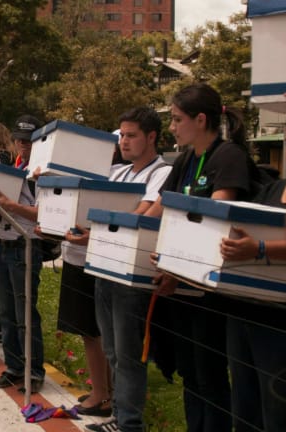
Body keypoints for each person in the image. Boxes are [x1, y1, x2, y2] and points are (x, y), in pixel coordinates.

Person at [146, 83, 256, 432]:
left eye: (178, 120)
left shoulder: (229, 157)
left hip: (211, 289)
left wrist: (179, 271)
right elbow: (158, 209)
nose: (173, 127)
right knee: (190, 372)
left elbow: (215, 223)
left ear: (201, 119)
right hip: (181, 284)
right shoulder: (185, 160)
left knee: (210, 375)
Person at [80, 107, 172, 432]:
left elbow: (141, 215)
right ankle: (118, 417)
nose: (124, 141)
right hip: (105, 268)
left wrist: (99, 224)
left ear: (151, 137)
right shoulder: (118, 173)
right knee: (112, 350)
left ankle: (129, 423)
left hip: (132, 276)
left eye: (132, 135)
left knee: (128, 354)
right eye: (121, 135)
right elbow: (95, 207)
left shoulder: (162, 173)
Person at [219, 118, 286, 432]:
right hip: (245, 310)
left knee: (278, 411)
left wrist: (260, 249)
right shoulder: (273, 188)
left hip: (281, 321)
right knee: (246, 407)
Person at [0, 115, 46, 393]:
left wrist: (10, 205)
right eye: (19, 139)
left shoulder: (43, 172)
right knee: (5, 311)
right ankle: (13, 367)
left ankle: (33, 371)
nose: (23, 144)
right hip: (3, 242)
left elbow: (44, 214)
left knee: (25, 313)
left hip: (25, 245)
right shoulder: (15, 166)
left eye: (29, 140)